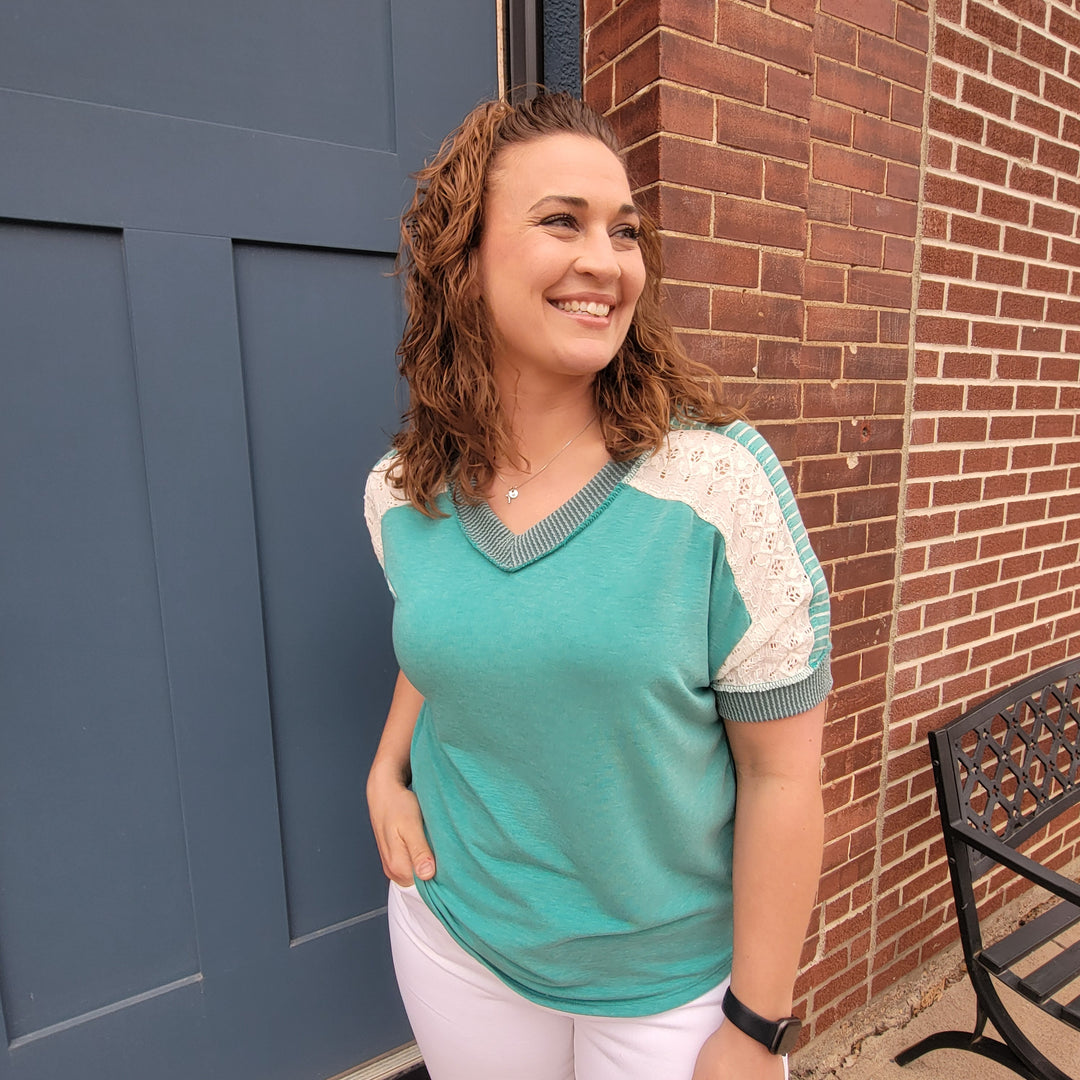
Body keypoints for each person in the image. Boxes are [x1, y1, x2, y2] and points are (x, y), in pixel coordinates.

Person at [363, 92, 831, 1080]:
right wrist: (384, 770)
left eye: (625, 231)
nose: (606, 261)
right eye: (560, 221)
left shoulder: (716, 485)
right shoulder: (401, 496)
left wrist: (755, 1027)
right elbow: (449, 647)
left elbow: (784, 777)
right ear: (463, 259)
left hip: (671, 993)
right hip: (459, 942)